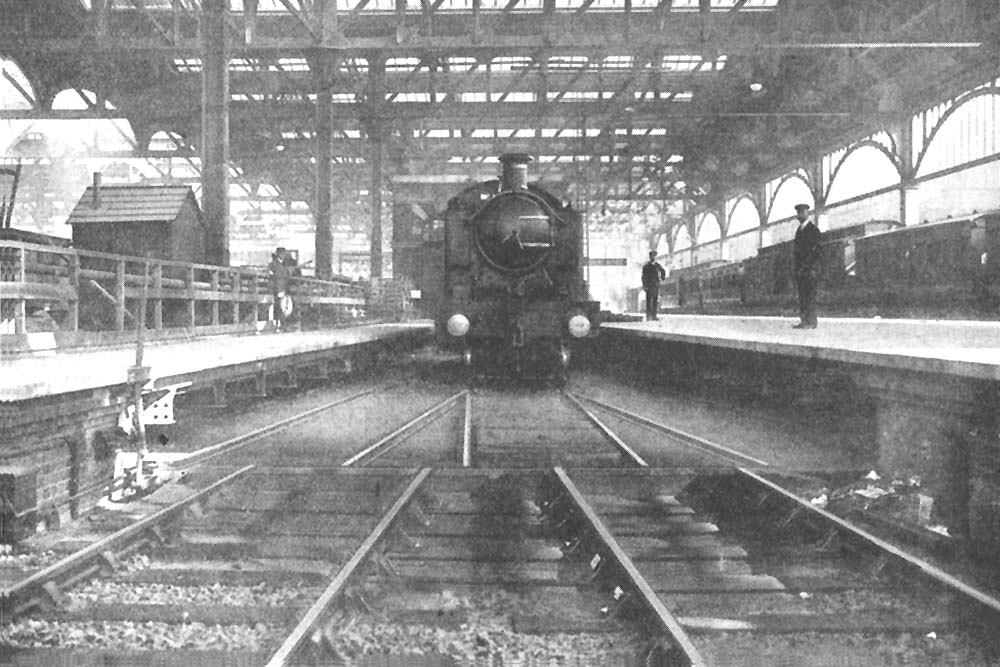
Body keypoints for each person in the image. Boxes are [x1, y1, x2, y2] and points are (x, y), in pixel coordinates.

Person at [792, 203, 821, 329]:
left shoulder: (813, 230)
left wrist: (808, 267)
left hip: (810, 270)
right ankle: (804, 320)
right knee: (803, 296)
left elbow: (816, 251)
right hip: (801, 271)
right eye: (798, 213)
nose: (799, 215)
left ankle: (812, 322)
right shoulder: (799, 230)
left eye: (802, 212)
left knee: (810, 296)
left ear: (807, 213)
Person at [269, 247, 292, 330]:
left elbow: (287, 278)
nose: (283, 255)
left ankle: (283, 324)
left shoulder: (285, 265)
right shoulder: (273, 265)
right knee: (279, 307)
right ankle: (279, 324)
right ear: (278, 254)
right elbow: (271, 277)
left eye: (284, 254)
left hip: (284, 288)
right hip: (277, 288)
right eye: (281, 253)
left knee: (284, 307)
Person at [641, 250, 666, 321]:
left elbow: (663, 271)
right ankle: (648, 316)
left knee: (655, 301)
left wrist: (662, 279)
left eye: (654, 256)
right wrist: (644, 285)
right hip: (649, 286)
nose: (653, 257)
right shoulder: (646, 267)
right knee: (649, 302)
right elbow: (643, 277)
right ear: (649, 257)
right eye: (652, 256)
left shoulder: (657, 266)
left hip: (655, 286)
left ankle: (654, 316)